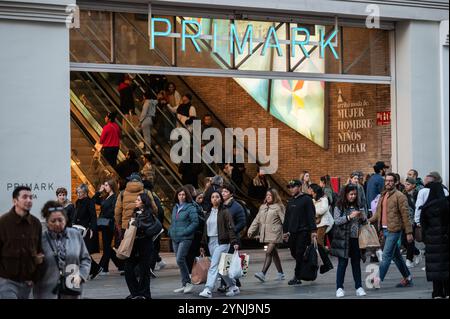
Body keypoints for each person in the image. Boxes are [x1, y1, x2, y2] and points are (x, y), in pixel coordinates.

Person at [33, 201, 91, 299]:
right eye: (53, 221)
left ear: (65, 219)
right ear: (47, 221)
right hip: (47, 290)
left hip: (71, 289)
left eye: (60, 220)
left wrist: (81, 275)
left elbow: (86, 259)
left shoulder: (75, 235)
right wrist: (35, 261)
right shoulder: (40, 239)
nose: (57, 224)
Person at [369, 173, 414, 288]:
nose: (388, 182)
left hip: (394, 230)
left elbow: (406, 215)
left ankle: (377, 279)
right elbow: (378, 214)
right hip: (384, 231)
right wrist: (367, 220)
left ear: (395, 182)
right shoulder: (383, 195)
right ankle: (408, 278)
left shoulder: (400, 196)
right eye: (386, 181)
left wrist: (409, 232)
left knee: (386, 256)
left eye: (390, 181)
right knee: (396, 256)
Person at [0, 186, 44, 299]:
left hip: (27, 283)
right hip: (6, 281)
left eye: (31, 197)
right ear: (15, 201)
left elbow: (39, 252)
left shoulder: (35, 223)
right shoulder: (3, 223)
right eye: (25, 197)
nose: (29, 200)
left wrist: (34, 278)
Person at [199, 191, 239, 298]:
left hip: (222, 242)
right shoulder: (208, 213)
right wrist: (202, 245)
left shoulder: (225, 212)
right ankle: (233, 287)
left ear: (220, 199)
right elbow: (205, 230)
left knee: (214, 266)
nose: (215, 199)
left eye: (217, 197)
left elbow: (230, 227)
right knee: (222, 268)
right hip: (211, 242)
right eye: (212, 197)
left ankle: (208, 289)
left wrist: (234, 241)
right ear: (210, 200)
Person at [331, 184, 367, 298]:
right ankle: (339, 288)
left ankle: (359, 287)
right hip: (343, 239)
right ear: (345, 194)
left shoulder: (359, 205)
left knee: (356, 263)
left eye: (355, 194)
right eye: (351, 194)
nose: (353, 196)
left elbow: (365, 221)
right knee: (342, 264)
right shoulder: (339, 206)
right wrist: (349, 217)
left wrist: (362, 217)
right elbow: (336, 221)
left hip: (356, 239)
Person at [282, 179, 317, 286]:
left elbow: (311, 216)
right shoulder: (291, 201)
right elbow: (287, 217)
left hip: (304, 231)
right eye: (290, 187)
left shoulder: (307, 199)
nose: (291, 189)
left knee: (299, 252)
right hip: (292, 232)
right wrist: (285, 231)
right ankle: (304, 269)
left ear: (299, 187)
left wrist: (313, 231)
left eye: (293, 187)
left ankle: (297, 276)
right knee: (294, 253)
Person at [124, 193, 157, 299]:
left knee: (144, 270)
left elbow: (141, 226)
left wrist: (134, 222)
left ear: (144, 202)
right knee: (128, 268)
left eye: (138, 200)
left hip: (145, 244)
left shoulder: (148, 214)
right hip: (134, 244)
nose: (136, 201)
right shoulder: (136, 212)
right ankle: (136, 292)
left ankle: (145, 294)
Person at [248, 188, 286, 282]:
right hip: (266, 233)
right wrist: (251, 230)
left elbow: (285, 220)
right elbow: (257, 220)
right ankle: (281, 273)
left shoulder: (278, 207)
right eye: (267, 195)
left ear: (274, 196)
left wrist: (287, 232)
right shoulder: (262, 207)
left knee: (268, 252)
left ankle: (263, 273)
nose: (268, 197)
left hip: (276, 233)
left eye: (270, 195)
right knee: (274, 253)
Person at [420, 182, 449, 299]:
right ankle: (447, 291)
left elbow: (423, 226)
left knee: (435, 268)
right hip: (446, 240)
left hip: (432, 242)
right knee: (447, 267)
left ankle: (437, 292)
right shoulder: (447, 205)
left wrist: (427, 238)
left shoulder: (426, 208)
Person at [168, 187, 199, 294]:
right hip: (175, 238)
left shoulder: (190, 207)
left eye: (183, 195)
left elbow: (195, 222)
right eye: (179, 194)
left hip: (185, 237)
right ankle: (185, 283)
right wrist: (170, 231)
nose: (181, 196)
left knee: (180, 259)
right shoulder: (175, 207)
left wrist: (185, 232)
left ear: (187, 196)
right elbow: (173, 222)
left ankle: (188, 283)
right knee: (179, 260)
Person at [93, 179, 123, 275]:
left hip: (109, 224)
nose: (105, 187)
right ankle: (119, 265)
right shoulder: (106, 196)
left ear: (111, 186)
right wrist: (99, 191)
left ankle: (102, 268)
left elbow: (114, 211)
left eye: (106, 185)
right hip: (104, 224)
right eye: (104, 185)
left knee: (106, 247)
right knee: (107, 247)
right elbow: (94, 200)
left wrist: (106, 216)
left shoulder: (115, 197)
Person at [74, 184, 102, 279]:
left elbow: (93, 216)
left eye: (80, 192)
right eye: (77, 192)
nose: (78, 194)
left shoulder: (89, 202)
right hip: (77, 229)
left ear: (85, 192)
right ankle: (95, 268)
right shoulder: (78, 202)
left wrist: (92, 229)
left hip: (86, 230)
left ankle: (94, 269)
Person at [402, 177, 422, 268]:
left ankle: (409, 260)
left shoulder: (417, 194)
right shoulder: (403, 194)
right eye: (405, 184)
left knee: (410, 241)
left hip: (413, 221)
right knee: (403, 241)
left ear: (413, 185)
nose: (406, 186)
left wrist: (418, 220)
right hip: (404, 220)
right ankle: (417, 252)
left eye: (408, 184)